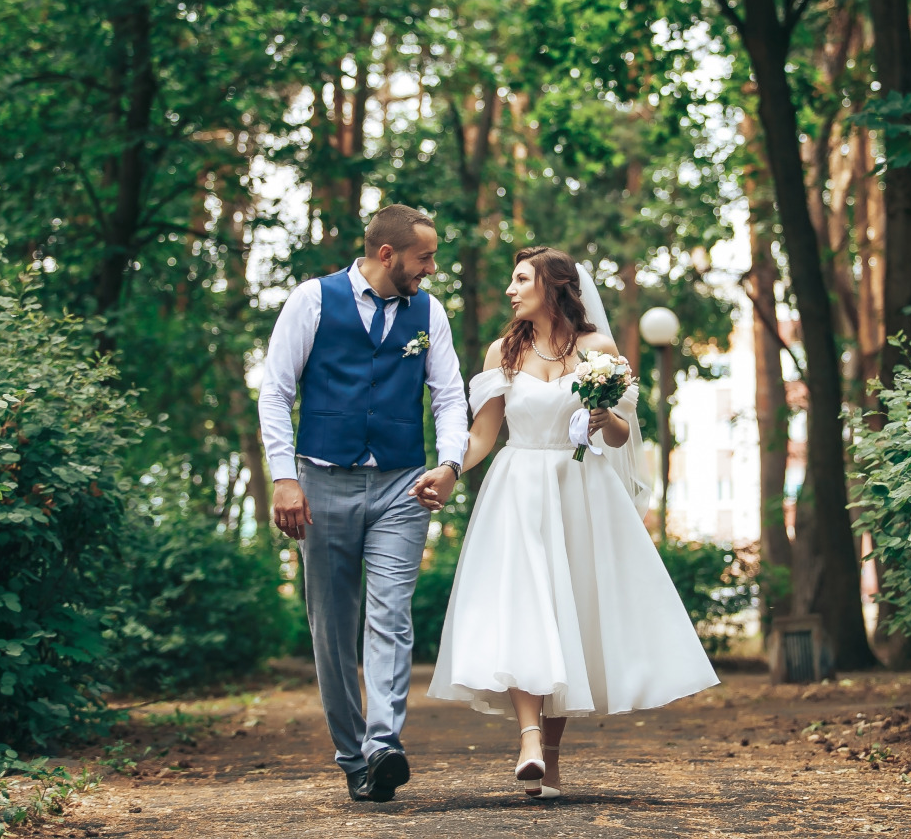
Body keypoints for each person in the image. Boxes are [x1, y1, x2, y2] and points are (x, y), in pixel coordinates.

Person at [426, 245, 719, 798]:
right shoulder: (501, 354)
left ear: (554, 286)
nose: (510, 291)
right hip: (517, 488)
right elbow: (485, 436)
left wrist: (608, 416)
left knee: (567, 618)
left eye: (520, 280)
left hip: (580, 489)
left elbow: (619, 436)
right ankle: (530, 739)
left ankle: (549, 765)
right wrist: (447, 472)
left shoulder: (597, 350)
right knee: (526, 610)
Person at [259, 204, 468, 804]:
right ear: (387, 255)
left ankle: (383, 745)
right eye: (424, 258)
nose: (430, 269)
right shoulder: (313, 300)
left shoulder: (429, 311)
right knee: (331, 627)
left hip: (403, 485)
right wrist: (283, 477)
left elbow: (449, 397)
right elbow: (275, 391)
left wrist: (449, 465)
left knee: (391, 615)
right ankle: (353, 758)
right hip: (321, 483)